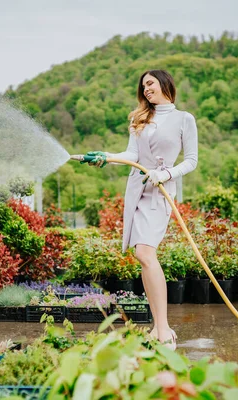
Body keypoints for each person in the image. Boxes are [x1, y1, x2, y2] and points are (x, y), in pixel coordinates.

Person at [81, 69, 198, 350]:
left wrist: (167, 174)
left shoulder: (184, 119)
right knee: (142, 255)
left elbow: (191, 161)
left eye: (150, 83)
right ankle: (158, 326)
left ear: (165, 84)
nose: (146, 89)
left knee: (146, 252)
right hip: (138, 190)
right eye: (143, 86)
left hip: (160, 193)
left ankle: (165, 329)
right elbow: (132, 156)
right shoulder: (139, 119)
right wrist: (106, 157)